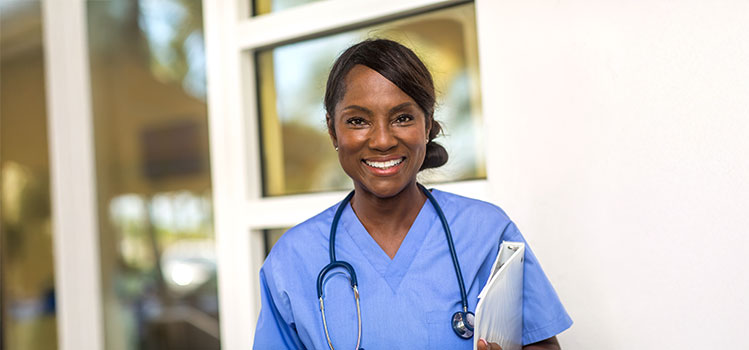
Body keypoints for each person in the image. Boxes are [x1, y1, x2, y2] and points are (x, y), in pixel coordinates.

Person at [253, 39, 572, 349]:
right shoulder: (292, 259)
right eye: (358, 121)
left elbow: (541, 343)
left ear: (428, 124)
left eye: (402, 118)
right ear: (332, 130)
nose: (382, 140)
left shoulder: (487, 232)